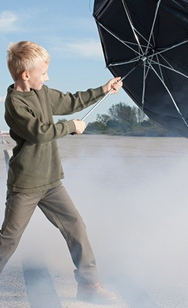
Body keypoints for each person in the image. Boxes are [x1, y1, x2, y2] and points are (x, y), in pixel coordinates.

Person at [0, 41, 122, 303]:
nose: (47, 77)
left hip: (52, 181)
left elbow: (71, 101)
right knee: (9, 238)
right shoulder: (15, 103)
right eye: (43, 73)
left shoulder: (43, 93)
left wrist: (103, 90)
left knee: (75, 226)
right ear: (26, 75)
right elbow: (38, 133)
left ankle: (89, 286)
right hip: (27, 184)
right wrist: (71, 127)